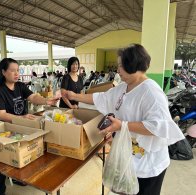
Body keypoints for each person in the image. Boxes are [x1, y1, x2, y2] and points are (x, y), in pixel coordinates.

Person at [63, 44, 184, 195]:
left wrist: (122, 126)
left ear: (133, 65)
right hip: (130, 159)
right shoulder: (123, 87)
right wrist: (73, 96)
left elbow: (158, 127)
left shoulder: (151, 92)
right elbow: (101, 98)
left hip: (149, 166)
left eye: (121, 66)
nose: (118, 70)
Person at [0, 58, 58, 195]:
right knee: (0, 161)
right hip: (5, 130)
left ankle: (16, 178)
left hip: (21, 128)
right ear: (3, 72)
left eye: (18, 70)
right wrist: (21, 117)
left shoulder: (20, 86)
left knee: (22, 153)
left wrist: (46, 100)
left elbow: (33, 97)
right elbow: (1, 115)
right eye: (13, 70)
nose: (17, 73)